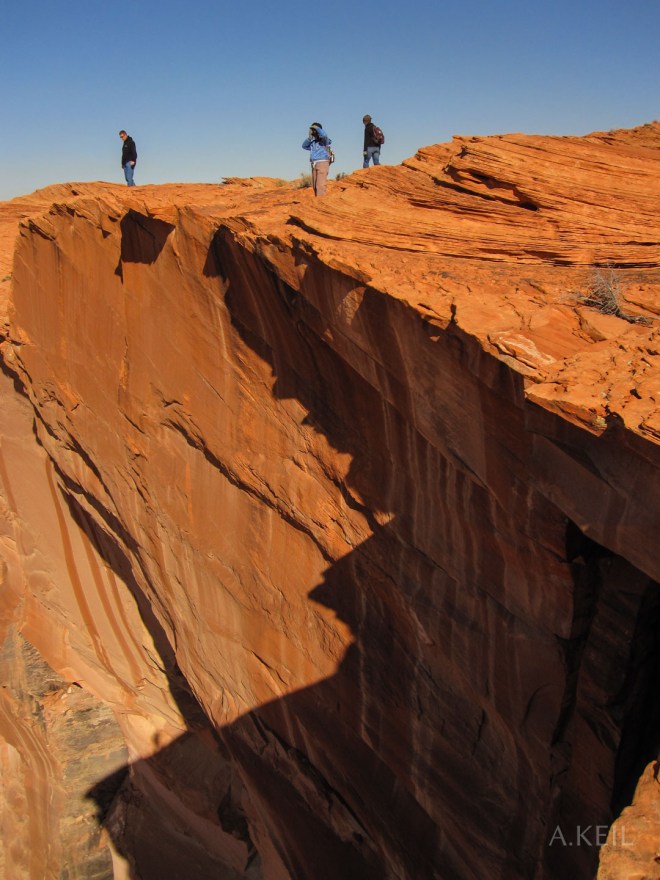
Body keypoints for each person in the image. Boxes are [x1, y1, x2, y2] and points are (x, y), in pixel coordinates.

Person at [302, 122, 332, 197]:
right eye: (312, 130)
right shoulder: (313, 143)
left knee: (320, 186)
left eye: (314, 130)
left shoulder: (324, 141)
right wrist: (309, 138)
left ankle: (321, 204)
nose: (313, 132)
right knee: (315, 186)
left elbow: (324, 135)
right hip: (314, 164)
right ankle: (318, 202)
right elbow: (304, 146)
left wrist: (316, 128)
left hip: (322, 163)